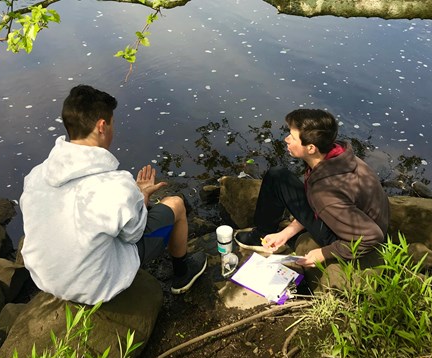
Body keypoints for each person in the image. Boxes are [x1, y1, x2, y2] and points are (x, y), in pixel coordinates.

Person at [20, 84, 207, 305]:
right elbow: (134, 234)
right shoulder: (114, 184)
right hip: (95, 285)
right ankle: (183, 275)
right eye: (112, 123)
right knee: (176, 204)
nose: (113, 130)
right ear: (101, 126)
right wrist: (140, 197)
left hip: (47, 278)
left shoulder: (36, 176)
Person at [235, 109, 389, 266]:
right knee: (277, 176)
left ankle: (259, 237)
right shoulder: (337, 155)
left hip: (344, 236)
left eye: (292, 137)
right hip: (352, 219)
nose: (286, 139)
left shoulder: (325, 194)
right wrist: (287, 232)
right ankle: (266, 233)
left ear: (311, 148)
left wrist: (323, 253)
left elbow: (372, 237)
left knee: (278, 179)